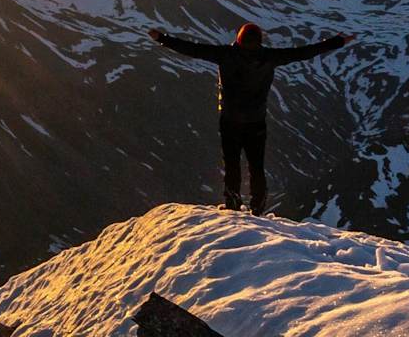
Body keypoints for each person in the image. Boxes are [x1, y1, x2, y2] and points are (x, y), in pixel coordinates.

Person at [149, 23, 354, 215]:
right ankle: (258, 207)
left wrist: (162, 38)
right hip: (256, 121)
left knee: (232, 163)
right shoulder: (270, 57)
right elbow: (303, 52)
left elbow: (192, 49)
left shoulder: (225, 55)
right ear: (259, 40)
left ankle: (232, 203)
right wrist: (337, 42)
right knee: (256, 165)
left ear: (238, 39)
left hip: (230, 119)